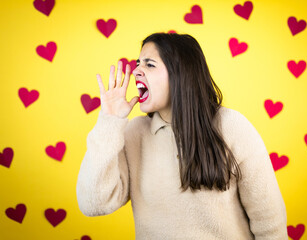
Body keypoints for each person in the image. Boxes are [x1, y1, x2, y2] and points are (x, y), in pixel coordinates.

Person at [76, 33, 287, 239]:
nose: (136, 71)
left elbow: (269, 220)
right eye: (138, 64)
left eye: (149, 64)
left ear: (181, 73)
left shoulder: (230, 125)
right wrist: (109, 121)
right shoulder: (134, 133)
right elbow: (93, 203)